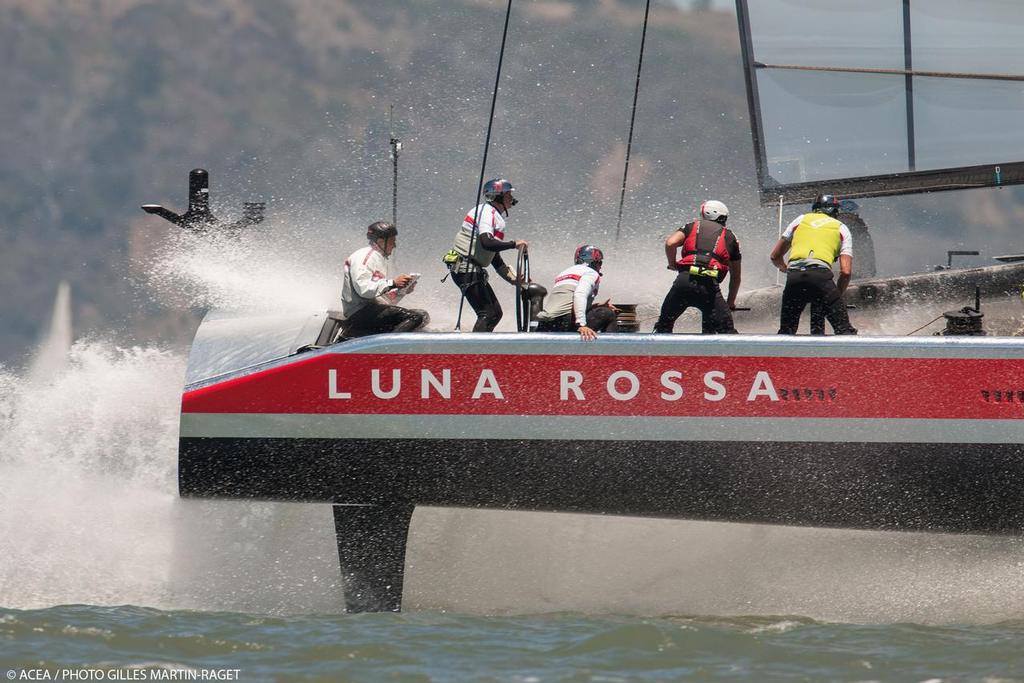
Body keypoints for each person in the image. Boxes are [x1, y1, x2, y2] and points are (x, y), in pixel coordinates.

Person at [445, 178, 528, 331]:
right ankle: (473, 353)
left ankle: (481, 350)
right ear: (497, 197)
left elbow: (493, 255)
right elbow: (486, 243)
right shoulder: (485, 212)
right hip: (465, 269)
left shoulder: (496, 216)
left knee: (496, 313)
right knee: (487, 313)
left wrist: (511, 278)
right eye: (508, 194)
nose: (511, 198)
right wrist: (513, 244)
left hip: (472, 270)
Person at [770, 194, 857, 335]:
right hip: (821, 278)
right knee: (844, 331)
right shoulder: (842, 228)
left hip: (795, 277)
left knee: (786, 331)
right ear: (835, 212)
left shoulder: (800, 220)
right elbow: (845, 272)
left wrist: (786, 269)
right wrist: (837, 297)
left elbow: (775, 256)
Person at [653, 200, 742, 334]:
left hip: (683, 282)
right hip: (709, 287)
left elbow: (670, 243)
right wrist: (730, 303)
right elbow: (736, 277)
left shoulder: (690, 226)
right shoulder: (731, 237)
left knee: (664, 326)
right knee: (726, 332)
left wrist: (672, 264)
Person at [340, 221, 428, 338]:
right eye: (392, 241)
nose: (395, 245)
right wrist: (393, 283)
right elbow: (364, 289)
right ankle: (389, 350)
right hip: (359, 313)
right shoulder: (365, 256)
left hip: (370, 310)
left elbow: (384, 300)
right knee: (414, 317)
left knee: (423, 315)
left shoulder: (379, 259)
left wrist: (402, 290)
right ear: (381, 241)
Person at [536, 244, 618, 341]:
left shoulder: (565, 272)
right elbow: (580, 294)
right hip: (564, 323)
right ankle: (611, 352)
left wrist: (597, 306)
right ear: (594, 262)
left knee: (600, 310)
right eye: (600, 263)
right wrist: (581, 324)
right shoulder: (591, 273)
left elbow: (568, 302)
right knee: (608, 314)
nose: (600, 267)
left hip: (546, 324)